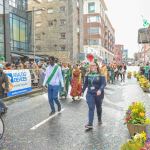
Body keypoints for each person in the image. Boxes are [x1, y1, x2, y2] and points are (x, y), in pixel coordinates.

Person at [82, 62, 106, 129]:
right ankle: (90, 123)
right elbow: (85, 83)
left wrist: (100, 90)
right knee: (91, 107)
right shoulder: (88, 74)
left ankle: (99, 118)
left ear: (96, 66)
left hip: (98, 94)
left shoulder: (101, 74)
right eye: (91, 65)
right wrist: (82, 91)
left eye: (94, 65)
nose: (92, 66)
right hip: (90, 93)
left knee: (98, 107)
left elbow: (103, 84)